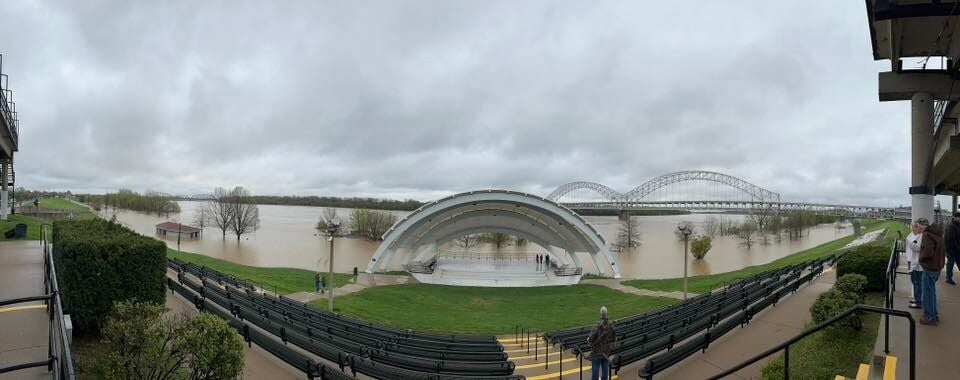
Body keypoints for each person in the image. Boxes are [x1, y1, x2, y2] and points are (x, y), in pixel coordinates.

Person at [917, 218, 945, 325]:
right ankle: (933, 314)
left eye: (919, 226)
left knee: (928, 294)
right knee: (931, 292)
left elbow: (928, 251)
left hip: (929, 268)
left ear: (922, 226)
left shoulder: (927, 234)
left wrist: (921, 259)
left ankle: (930, 317)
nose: (918, 228)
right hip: (937, 267)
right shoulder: (938, 234)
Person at [587, 306, 616, 380]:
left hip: (597, 351)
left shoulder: (597, 326)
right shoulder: (611, 325)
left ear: (600, 314)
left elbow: (591, 338)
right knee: (605, 366)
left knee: (595, 368)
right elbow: (614, 338)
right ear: (607, 314)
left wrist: (588, 339)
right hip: (606, 350)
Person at [905, 222, 924, 308]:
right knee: (914, 281)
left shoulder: (921, 236)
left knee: (917, 283)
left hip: (917, 264)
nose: (912, 229)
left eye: (914, 227)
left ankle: (918, 302)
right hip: (911, 261)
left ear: (919, 228)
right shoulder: (912, 235)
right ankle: (917, 299)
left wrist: (909, 242)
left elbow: (918, 248)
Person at [945, 212, 960, 285]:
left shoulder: (957, 226)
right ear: (955, 217)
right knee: (950, 265)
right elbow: (951, 240)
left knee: (951, 264)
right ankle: (948, 278)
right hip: (952, 250)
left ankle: (948, 278)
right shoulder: (951, 226)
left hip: (956, 249)